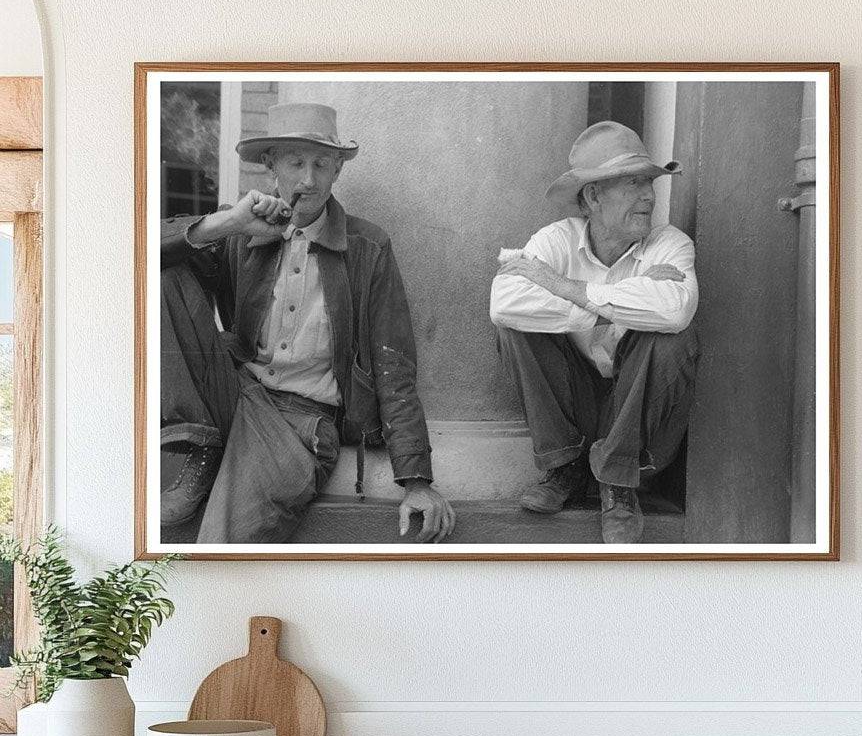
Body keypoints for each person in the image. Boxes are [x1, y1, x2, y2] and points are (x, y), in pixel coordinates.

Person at [160, 101, 455, 544]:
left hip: (297, 422)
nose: (308, 179)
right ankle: (201, 447)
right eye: (295, 162)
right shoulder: (240, 231)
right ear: (269, 165)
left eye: (322, 164)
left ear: (338, 170)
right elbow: (143, 252)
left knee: (222, 544)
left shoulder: (368, 246)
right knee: (167, 270)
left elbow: (394, 365)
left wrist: (415, 479)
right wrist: (230, 222)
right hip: (233, 390)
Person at [489, 120, 699, 543]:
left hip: (639, 412)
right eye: (633, 184)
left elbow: (675, 312)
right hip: (577, 403)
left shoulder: (671, 244)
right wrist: (615, 306)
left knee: (674, 338)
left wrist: (567, 289)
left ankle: (618, 483)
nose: (647, 196)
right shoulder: (555, 240)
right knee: (515, 329)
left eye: (649, 184)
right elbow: (504, 303)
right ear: (593, 196)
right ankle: (564, 465)